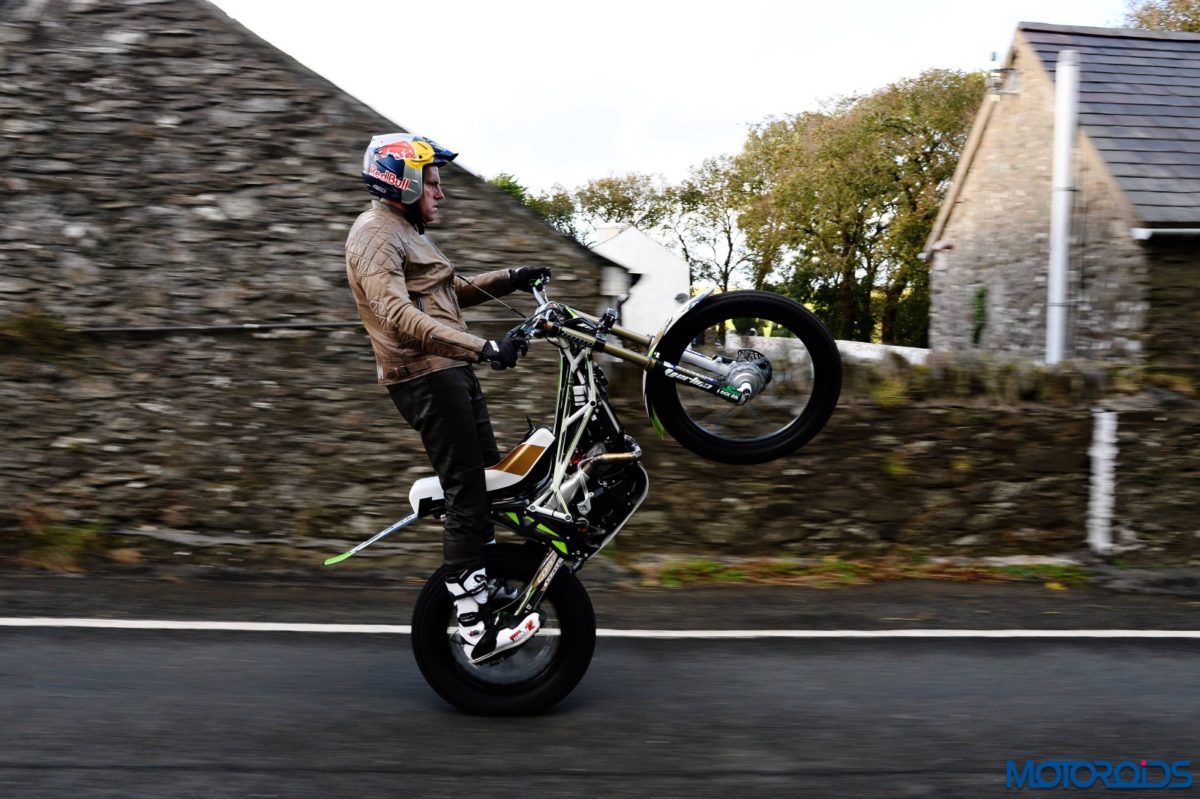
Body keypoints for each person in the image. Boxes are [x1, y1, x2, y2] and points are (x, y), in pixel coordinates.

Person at [344, 133, 551, 664]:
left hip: (448, 372)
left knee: (486, 483)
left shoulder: (403, 232)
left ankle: (490, 584)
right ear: (404, 181)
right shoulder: (374, 234)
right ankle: (474, 622)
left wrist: (511, 278)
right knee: (466, 489)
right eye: (433, 183)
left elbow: (445, 292)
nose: (442, 194)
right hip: (427, 376)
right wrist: (483, 346)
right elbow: (395, 313)